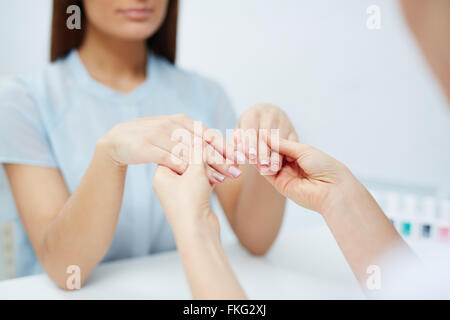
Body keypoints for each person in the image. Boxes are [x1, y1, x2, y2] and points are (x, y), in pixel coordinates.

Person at [152, 0, 450, 299]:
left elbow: (255, 237)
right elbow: (411, 289)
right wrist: (336, 192)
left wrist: (195, 225)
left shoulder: (204, 94)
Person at [0, 0, 297, 288]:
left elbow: (256, 239)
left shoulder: (206, 95)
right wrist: (110, 156)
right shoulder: (25, 101)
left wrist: (270, 153)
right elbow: (66, 270)